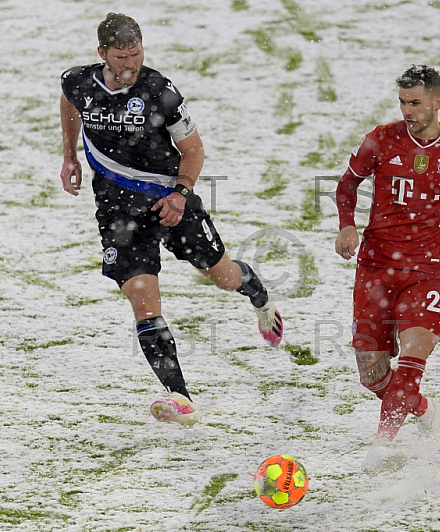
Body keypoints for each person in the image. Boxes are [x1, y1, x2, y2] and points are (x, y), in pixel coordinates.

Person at [59, 13, 283, 427]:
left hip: (171, 203)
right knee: (142, 297)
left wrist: (180, 195)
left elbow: (194, 150)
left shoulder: (161, 91)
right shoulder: (78, 81)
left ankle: (256, 291)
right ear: (101, 54)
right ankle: (179, 395)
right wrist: (70, 154)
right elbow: (70, 102)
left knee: (222, 276)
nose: (131, 65)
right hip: (117, 210)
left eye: (136, 54)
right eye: (121, 57)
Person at [334, 65, 440, 467]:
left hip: (425, 272)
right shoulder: (380, 141)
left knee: (412, 359)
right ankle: (424, 408)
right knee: (372, 375)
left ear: (437, 102)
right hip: (374, 268)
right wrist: (346, 227)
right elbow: (347, 185)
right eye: (402, 102)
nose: (407, 110)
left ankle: (384, 442)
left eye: (415, 103)